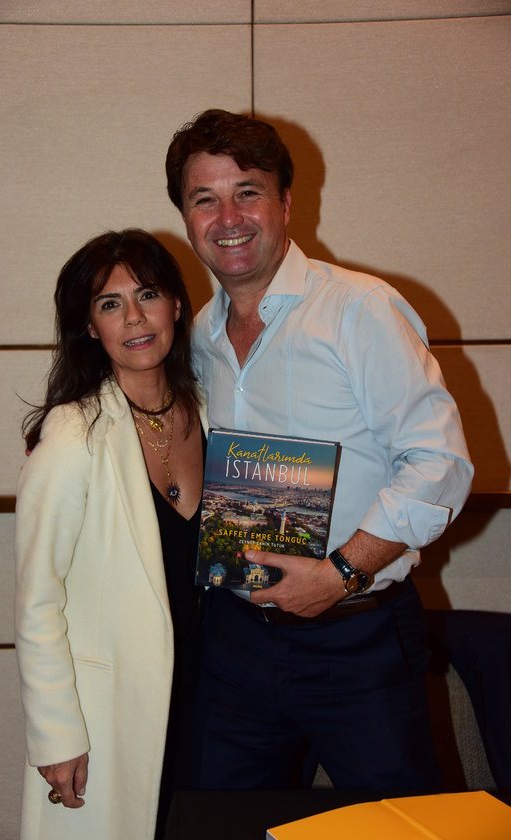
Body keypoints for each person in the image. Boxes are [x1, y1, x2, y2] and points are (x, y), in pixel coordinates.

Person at [165, 109, 474, 792]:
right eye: (204, 199)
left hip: (356, 637)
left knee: (395, 831)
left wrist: (339, 574)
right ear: (186, 218)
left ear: (286, 201)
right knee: (223, 824)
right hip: (236, 641)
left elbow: (441, 465)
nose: (228, 218)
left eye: (247, 192)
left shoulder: (359, 309)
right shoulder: (199, 337)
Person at [14, 229, 206, 840]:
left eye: (148, 294)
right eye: (110, 303)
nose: (135, 317)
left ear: (177, 304)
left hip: (216, 701)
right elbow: (38, 599)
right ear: (90, 328)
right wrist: (56, 733)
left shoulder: (213, 414)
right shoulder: (73, 435)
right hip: (113, 711)